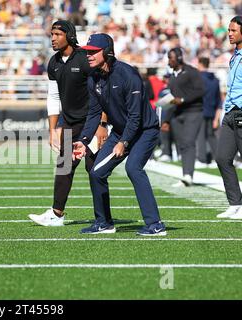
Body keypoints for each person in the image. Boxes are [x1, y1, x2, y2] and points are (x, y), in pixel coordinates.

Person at [73, 33, 167, 236]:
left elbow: (135, 116)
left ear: (107, 52)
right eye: (87, 52)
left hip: (145, 130)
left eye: (93, 52)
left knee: (133, 168)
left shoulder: (128, 75)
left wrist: (124, 142)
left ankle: (155, 224)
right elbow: (94, 113)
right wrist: (83, 140)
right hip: (120, 131)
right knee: (96, 172)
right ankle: (104, 222)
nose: (88, 56)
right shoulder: (93, 78)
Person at [28, 20, 108, 227]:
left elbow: (102, 90)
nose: (53, 38)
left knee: (95, 170)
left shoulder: (84, 58)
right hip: (70, 123)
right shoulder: (53, 63)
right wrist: (53, 129)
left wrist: (102, 124)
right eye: (51, 34)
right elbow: (53, 97)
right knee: (64, 167)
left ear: (69, 35)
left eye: (57, 34)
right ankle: (57, 214)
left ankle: (104, 219)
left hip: (91, 122)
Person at [164, 47, 205, 186]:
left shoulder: (192, 72)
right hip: (177, 113)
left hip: (193, 111)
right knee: (182, 144)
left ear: (179, 58)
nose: (169, 61)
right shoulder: (172, 75)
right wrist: (166, 120)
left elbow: (200, 91)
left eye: (171, 58)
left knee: (188, 142)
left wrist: (183, 100)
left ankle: (188, 175)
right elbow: (172, 98)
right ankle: (185, 174)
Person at [215, 16, 242, 219]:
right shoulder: (234, 55)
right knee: (222, 157)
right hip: (230, 112)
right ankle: (235, 203)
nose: (229, 34)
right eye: (229, 30)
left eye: (233, 30)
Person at [196, 56, 221, 167]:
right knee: (211, 136)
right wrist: (217, 116)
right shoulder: (215, 80)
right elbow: (218, 99)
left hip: (200, 109)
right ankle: (216, 158)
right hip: (211, 110)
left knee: (200, 135)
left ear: (200, 64)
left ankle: (202, 159)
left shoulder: (198, 78)